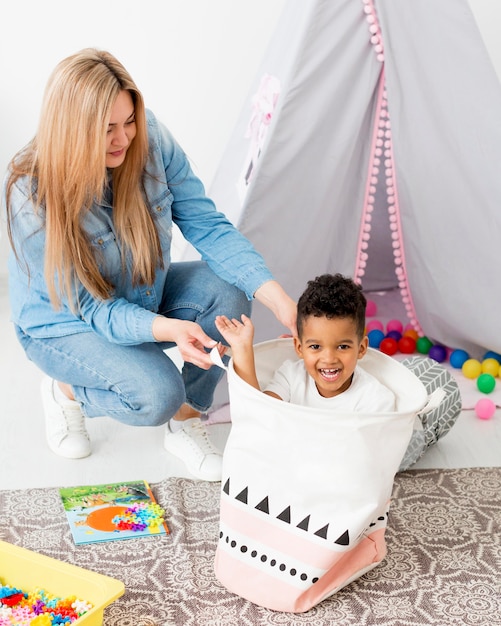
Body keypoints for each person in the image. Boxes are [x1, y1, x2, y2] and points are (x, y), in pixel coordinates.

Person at [4, 48, 297, 481]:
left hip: (137, 293)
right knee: (155, 393)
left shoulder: (148, 138)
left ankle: (185, 419)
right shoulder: (30, 195)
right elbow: (96, 310)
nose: (123, 139)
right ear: (71, 130)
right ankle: (66, 390)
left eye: (129, 121)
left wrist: (278, 299)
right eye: (107, 129)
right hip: (64, 323)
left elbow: (207, 225)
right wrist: (170, 329)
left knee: (230, 294)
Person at [215, 273, 396, 411]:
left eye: (342, 346)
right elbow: (259, 413)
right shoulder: (291, 376)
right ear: (299, 348)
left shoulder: (375, 399)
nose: (329, 358)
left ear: (362, 348)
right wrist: (242, 349)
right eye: (315, 346)